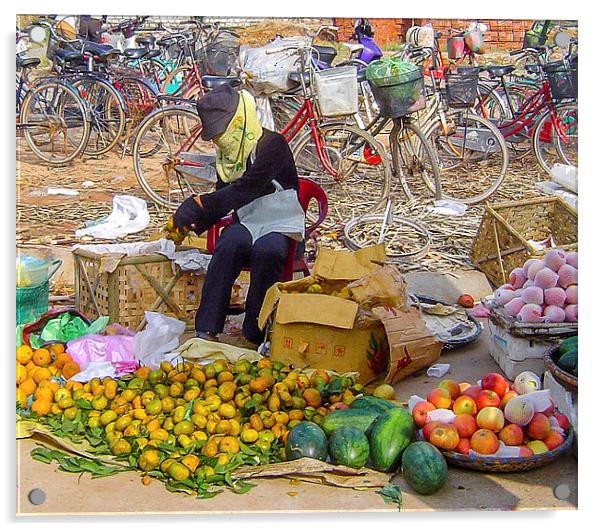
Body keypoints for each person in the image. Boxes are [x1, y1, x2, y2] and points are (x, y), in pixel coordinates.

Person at [170, 84, 301, 349]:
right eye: (215, 135)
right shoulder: (228, 158)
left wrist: (199, 205)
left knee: (269, 251)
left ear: (240, 120)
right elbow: (225, 197)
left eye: (222, 130)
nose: (219, 139)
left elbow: (246, 188)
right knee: (228, 245)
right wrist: (194, 219)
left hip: (280, 222)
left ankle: (256, 329)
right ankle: (207, 326)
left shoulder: (272, 144)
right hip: (247, 219)